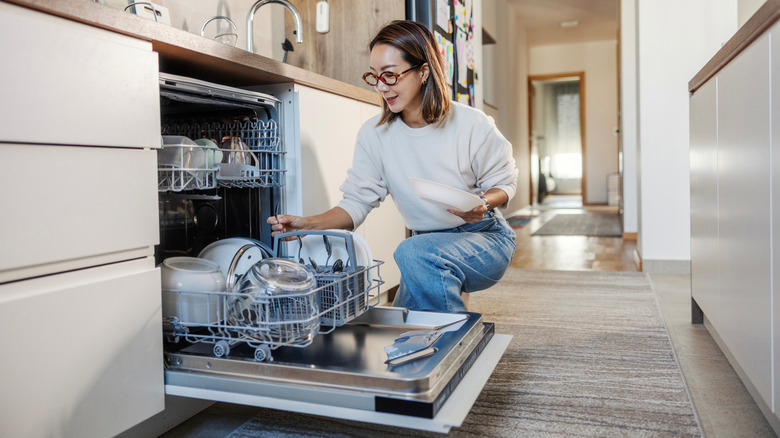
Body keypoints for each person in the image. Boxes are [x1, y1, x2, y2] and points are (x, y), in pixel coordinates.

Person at [268, 20, 518, 313]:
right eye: (374, 76)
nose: (382, 87)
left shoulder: (472, 124)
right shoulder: (374, 135)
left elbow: (505, 183)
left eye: (390, 75)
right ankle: (455, 331)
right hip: (425, 249)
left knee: (413, 256)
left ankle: (457, 341)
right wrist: (307, 223)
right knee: (402, 325)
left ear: (423, 71)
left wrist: (483, 203)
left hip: (484, 237)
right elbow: (356, 203)